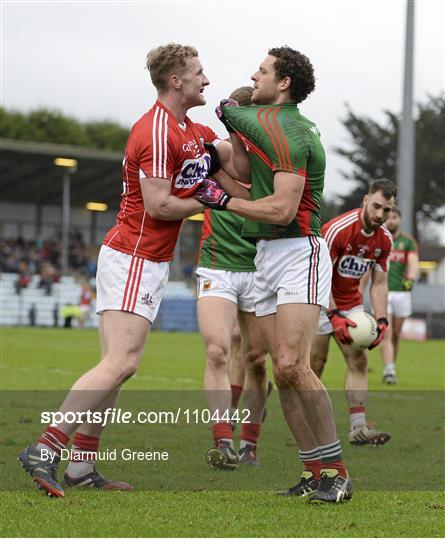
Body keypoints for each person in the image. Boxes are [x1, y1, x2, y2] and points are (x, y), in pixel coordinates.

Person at [18, 42, 231, 498]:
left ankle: (80, 467)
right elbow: (158, 204)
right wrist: (209, 200)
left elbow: (236, 157)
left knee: (118, 367)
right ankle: (45, 446)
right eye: (199, 72)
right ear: (176, 80)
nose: (206, 80)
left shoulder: (191, 129)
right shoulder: (155, 130)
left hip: (147, 260)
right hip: (134, 255)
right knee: (121, 362)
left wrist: (242, 118)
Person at [195, 47, 352, 503]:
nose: (254, 75)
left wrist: (220, 198)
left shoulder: (288, 128)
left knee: (290, 365)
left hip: (299, 252)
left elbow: (281, 208)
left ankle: (337, 473)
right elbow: (244, 175)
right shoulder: (271, 128)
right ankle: (313, 471)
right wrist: (212, 177)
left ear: (283, 83)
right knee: (282, 372)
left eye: (262, 71)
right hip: (265, 254)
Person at [198, 86, 269, 469]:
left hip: (260, 269)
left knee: (257, 360)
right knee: (217, 351)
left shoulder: (273, 159)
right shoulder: (215, 153)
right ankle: (223, 440)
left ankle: (250, 443)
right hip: (217, 265)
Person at [310, 179, 396, 446]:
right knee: (315, 363)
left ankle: (358, 428)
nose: (380, 215)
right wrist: (333, 316)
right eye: (377, 207)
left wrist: (381, 320)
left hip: (350, 302)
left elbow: (379, 283)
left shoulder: (385, 239)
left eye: (387, 210)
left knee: (359, 361)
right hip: (317, 298)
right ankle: (305, 422)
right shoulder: (338, 229)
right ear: (365, 200)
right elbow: (321, 276)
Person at [380, 207, 418, 384]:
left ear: (399, 220)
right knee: (385, 332)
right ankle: (389, 370)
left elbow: (413, 264)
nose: (391, 221)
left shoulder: (408, 242)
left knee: (396, 334)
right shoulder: (379, 238)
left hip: (402, 294)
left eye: (394, 217)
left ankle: (391, 365)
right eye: (389, 217)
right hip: (383, 292)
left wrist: (410, 279)